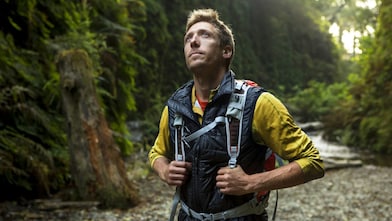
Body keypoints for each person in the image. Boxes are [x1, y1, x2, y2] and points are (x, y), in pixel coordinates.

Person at [148, 8, 325, 221]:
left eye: (205, 35)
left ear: (226, 51)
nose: (193, 42)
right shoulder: (175, 107)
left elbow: (312, 162)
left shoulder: (258, 103)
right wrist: (164, 170)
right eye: (188, 39)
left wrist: (251, 183)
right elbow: (157, 152)